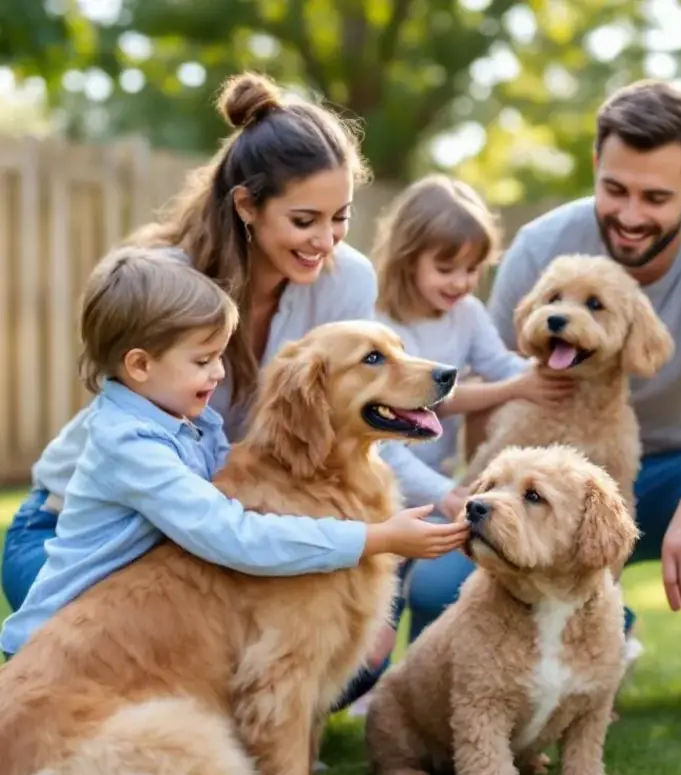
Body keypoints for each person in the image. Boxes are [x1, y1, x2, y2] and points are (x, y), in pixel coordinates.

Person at [0, 72, 461, 695]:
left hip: (222, 522)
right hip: (87, 540)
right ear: (246, 205)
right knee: (185, 657)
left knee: (345, 662)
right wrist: (366, 542)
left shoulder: (345, 278)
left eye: (341, 218)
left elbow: (351, 424)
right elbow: (220, 526)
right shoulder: (160, 283)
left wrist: (446, 497)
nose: (325, 242)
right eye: (304, 220)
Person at [404, 79, 681, 742]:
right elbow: (490, 393)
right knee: (432, 588)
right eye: (615, 189)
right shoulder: (543, 247)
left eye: (656, 197)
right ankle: (439, 697)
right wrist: (476, 496)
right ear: (596, 167)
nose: (630, 215)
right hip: (547, 484)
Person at [1, 247, 465, 658]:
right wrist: (374, 539)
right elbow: (230, 533)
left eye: (220, 356)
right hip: (70, 645)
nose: (219, 374)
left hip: (134, 616)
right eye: (203, 361)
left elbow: (239, 486)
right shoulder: (128, 444)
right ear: (139, 365)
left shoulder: (190, 420)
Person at [370, 174, 575, 529]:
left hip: (438, 477)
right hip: (385, 475)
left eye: (472, 269)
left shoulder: (467, 312)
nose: (461, 282)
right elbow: (430, 400)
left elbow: (498, 363)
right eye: (445, 269)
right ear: (407, 258)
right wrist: (514, 388)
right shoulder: (383, 325)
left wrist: (541, 374)